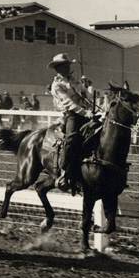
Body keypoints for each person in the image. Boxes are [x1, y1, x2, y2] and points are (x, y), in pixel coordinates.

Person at [48, 53, 94, 192]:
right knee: (71, 138)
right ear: (58, 68)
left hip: (85, 112)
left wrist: (88, 88)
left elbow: (87, 96)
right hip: (71, 115)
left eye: (68, 65)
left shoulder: (75, 80)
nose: (68, 67)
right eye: (65, 65)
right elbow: (69, 104)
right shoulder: (57, 85)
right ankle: (64, 172)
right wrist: (86, 113)